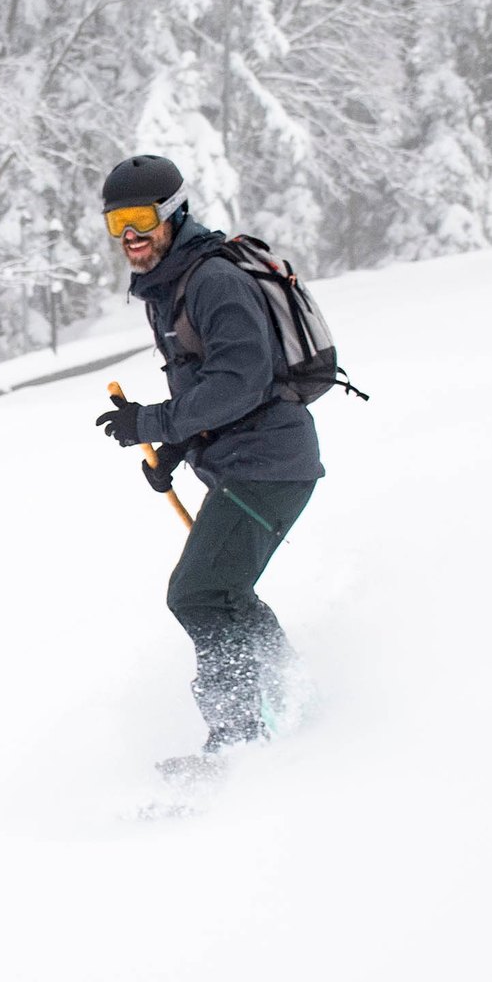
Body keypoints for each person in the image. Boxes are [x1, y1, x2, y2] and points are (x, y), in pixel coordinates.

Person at [93, 154, 324, 759]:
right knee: (227, 593)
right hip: (247, 461)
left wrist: (153, 421)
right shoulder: (168, 289)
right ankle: (298, 698)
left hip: (269, 462)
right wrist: (174, 446)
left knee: (197, 593)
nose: (130, 237)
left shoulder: (214, 281)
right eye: (117, 224)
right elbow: (208, 390)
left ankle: (239, 736)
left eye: (141, 219)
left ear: (173, 214)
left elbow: (240, 383)